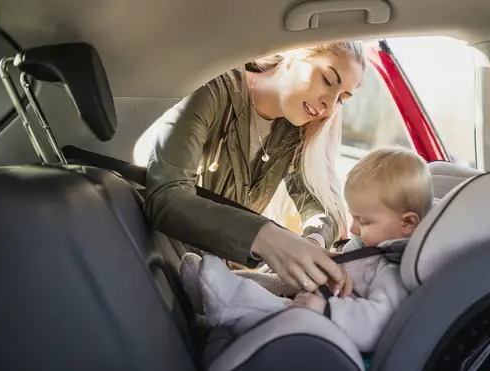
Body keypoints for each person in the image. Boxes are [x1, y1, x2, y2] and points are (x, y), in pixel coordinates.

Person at [144, 42, 366, 292]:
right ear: (294, 54)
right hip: (163, 267)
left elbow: (319, 204)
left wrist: (312, 241)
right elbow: (165, 196)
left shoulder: (294, 129)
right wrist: (266, 238)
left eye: (342, 99)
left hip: (215, 280)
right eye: (327, 80)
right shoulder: (213, 90)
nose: (329, 103)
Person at [181, 147, 435, 352]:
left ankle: (225, 296)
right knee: (280, 280)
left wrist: (325, 310)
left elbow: (375, 325)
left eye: (365, 221)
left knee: (279, 308)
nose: (354, 228)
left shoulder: (393, 269)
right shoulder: (374, 245)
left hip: (323, 328)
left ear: (407, 223)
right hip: (318, 297)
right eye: (353, 217)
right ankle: (216, 284)